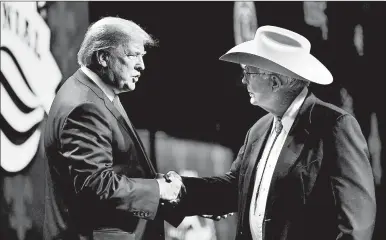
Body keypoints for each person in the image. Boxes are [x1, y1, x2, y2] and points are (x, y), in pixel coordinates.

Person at [177, 26, 376, 240]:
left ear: (274, 82)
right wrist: (176, 188)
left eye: (248, 72)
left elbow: (357, 226)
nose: (243, 81)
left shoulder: (334, 126)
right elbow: (235, 190)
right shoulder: (258, 130)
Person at [43, 17, 184, 240]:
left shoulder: (94, 91)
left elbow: (122, 170)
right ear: (103, 57)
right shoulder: (85, 106)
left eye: (142, 56)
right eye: (132, 55)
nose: (141, 65)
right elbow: (97, 186)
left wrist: (173, 195)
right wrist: (159, 190)